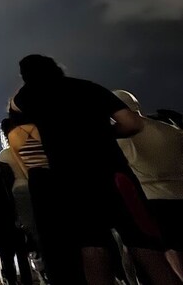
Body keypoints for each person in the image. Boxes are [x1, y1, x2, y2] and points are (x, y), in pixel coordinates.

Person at [12, 55, 178, 285]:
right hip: (115, 175)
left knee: (92, 246)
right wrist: (107, 134)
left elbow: (18, 124)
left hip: (71, 180)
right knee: (143, 244)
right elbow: (132, 123)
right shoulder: (88, 87)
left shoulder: (26, 97)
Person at [114, 90, 183, 281]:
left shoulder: (122, 137)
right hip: (179, 194)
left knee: (167, 253)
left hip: (150, 201)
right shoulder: (171, 130)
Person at [0, 141, 33, 285]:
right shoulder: (4, 168)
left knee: (6, 258)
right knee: (22, 255)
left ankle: (11, 281)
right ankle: (27, 280)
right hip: (12, 215)